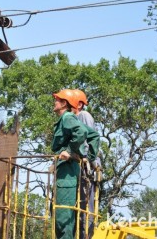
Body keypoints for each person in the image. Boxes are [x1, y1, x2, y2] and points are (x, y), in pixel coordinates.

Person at [51, 89, 100, 239]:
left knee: (63, 219)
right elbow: (94, 135)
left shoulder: (68, 117)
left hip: (67, 172)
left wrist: (69, 151)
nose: (54, 102)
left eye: (57, 100)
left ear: (64, 103)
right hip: (67, 171)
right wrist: (88, 157)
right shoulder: (70, 118)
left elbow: (82, 133)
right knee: (67, 217)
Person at [71, 89, 101, 239]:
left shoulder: (84, 115)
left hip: (87, 168)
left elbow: (89, 140)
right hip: (79, 167)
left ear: (80, 104)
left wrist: (87, 160)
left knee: (85, 208)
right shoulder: (72, 119)